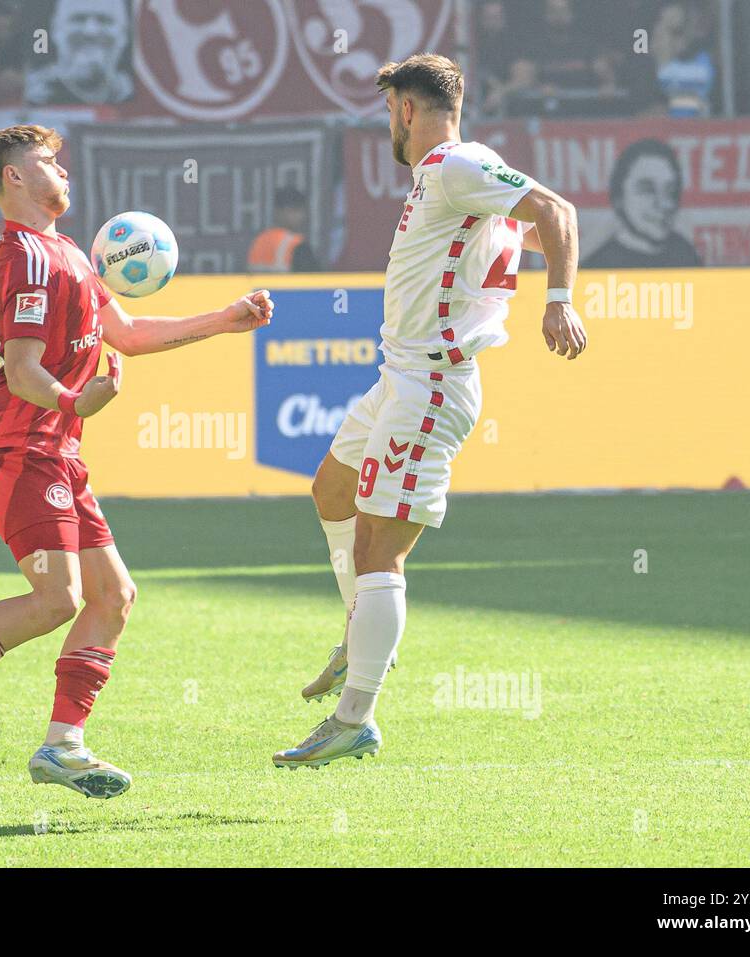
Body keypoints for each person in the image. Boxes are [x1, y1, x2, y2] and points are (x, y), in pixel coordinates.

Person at [0, 125, 273, 799]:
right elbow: (23, 371)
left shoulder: (70, 255)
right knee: (60, 597)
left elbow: (131, 335)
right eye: (47, 161)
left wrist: (225, 319)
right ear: (14, 180)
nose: (64, 170)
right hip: (12, 449)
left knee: (113, 596)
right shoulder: (25, 257)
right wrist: (77, 401)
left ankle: (63, 745)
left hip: (54, 450)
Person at [273, 53, 587, 768]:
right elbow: (527, 228)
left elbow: (556, 210)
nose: (389, 123)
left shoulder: (456, 166)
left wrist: (560, 301)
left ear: (406, 110)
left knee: (381, 549)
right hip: (400, 378)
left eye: (389, 111)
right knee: (331, 487)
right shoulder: (456, 184)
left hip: (433, 383)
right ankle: (359, 634)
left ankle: (355, 715)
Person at [583, 138, 702, 268]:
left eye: (670, 191)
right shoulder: (598, 266)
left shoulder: (684, 254)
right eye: (647, 190)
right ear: (619, 197)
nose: (663, 204)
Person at [248, 187, 321, 272]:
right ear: (278, 212)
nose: (300, 217)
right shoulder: (297, 245)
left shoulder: (260, 240)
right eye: (294, 211)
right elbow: (314, 280)